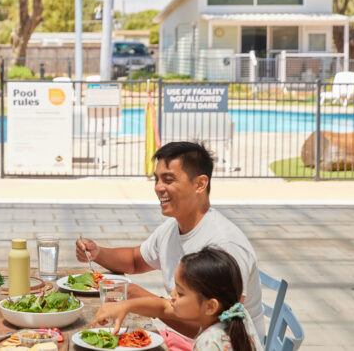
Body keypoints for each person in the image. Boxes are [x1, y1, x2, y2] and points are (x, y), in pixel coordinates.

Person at [76, 141, 264, 339]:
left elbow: (219, 329)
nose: (158, 188)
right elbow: (134, 260)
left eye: (168, 180)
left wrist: (139, 300)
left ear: (200, 184)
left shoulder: (225, 246)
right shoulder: (173, 227)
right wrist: (97, 253)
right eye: (156, 180)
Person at [91, 247, 263, 351]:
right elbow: (164, 307)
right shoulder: (237, 313)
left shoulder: (208, 343)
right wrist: (126, 306)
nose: (172, 295)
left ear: (210, 306)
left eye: (180, 293)